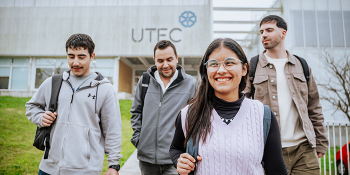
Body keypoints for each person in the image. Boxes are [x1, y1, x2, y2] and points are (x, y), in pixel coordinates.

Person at [169, 38, 288, 175]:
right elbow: (175, 148)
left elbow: (277, 170)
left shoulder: (262, 115)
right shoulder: (189, 114)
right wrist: (180, 160)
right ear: (206, 71)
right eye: (213, 64)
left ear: (244, 69)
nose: (221, 70)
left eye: (229, 63)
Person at [26, 34, 122, 175]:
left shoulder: (105, 89)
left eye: (81, 57)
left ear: (92, 56)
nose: (75, 62)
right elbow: (31, 106)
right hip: (49, 168)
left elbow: (112, 129)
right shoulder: (53, 83)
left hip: (85, 170)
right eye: (71, 56)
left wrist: (113, 165)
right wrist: (40, 117)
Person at [243, 15, 329, 174]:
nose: (264, 35)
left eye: (269, 30)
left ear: (283, 33)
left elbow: (314, 107)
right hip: (267, 148)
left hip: (303, 149)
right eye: (261, 31)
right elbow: (240, 105)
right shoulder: (253, 66)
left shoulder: (302, 65)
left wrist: (321, 141)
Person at [130, 40, 197, 175]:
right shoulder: (144, 81)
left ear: (176, 58)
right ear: (154, 60)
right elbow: (136, 112)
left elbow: (195, 120)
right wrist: (139, 140)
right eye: (160, 60)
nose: (165, 65)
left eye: (169, 59)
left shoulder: (191, 83)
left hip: (175, 159)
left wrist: (187, 149)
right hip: (147, 159)